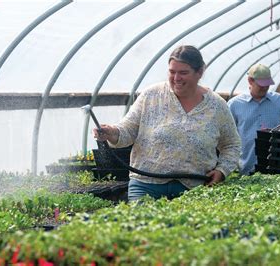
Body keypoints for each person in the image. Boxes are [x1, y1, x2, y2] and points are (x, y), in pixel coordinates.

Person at [94, 45, 241, 201]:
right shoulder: (151, 96)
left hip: (194, 189)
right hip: (146, 185)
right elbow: (128, 130)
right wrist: (111, 132)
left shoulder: (216, 105)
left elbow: (231, 145)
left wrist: (222, 171)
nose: (176, 78)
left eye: (183, 73)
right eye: (172, 72)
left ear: (200, 72)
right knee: (141, 224)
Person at [227, 63, 280, 175]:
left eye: (267, 85)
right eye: (261, 85)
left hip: (275, 165)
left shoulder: (279, 101)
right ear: (250, 81)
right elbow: (228, 135)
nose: (265, 88)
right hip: (245, 166)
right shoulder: (235, 104)